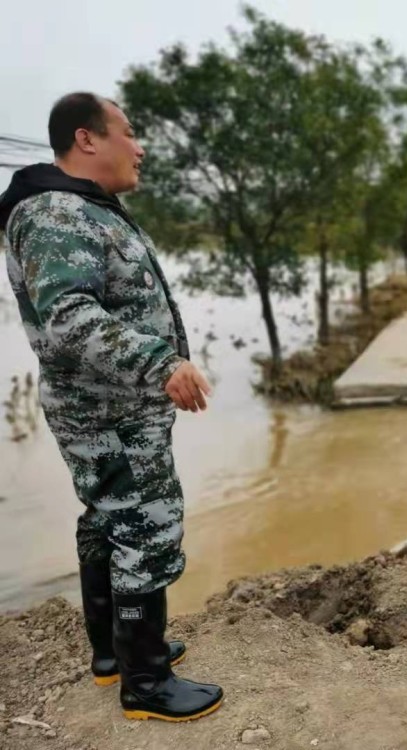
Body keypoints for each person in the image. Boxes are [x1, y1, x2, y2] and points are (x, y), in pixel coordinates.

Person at [0, 92, 223, 721]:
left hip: (109, 408)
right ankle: (147, 686)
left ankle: (115, 657)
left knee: (108, 519)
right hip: (109, 412)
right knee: (144, 529)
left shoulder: (83, 209)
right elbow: (71, 318)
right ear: (87, 139)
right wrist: (162, 363)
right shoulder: (55, 213)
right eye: (129, 131)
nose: (141, 146)